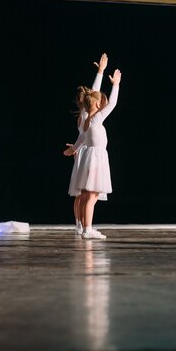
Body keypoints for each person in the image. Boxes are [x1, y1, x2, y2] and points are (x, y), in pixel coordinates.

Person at [63, 69, 122, 240]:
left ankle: (85, 228)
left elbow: (81, 140)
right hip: (96, 158)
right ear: (96, 105)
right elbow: (113, 103)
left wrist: (72, 149)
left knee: (87, 195)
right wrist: (116, 86)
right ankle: (87, 229)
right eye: (101, 102)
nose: (103, 104)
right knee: (91, 195)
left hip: (90, 157)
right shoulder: (96, 119)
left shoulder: (87, 121)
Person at [66, 53, 108, 234]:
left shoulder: (84, 116)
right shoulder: (87, 115)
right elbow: (95, 91)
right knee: (85, 194)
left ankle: (82, 225)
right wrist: (100, 72)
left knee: (82, 194)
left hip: (83, 151)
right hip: (88, 154)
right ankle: (83, 226)